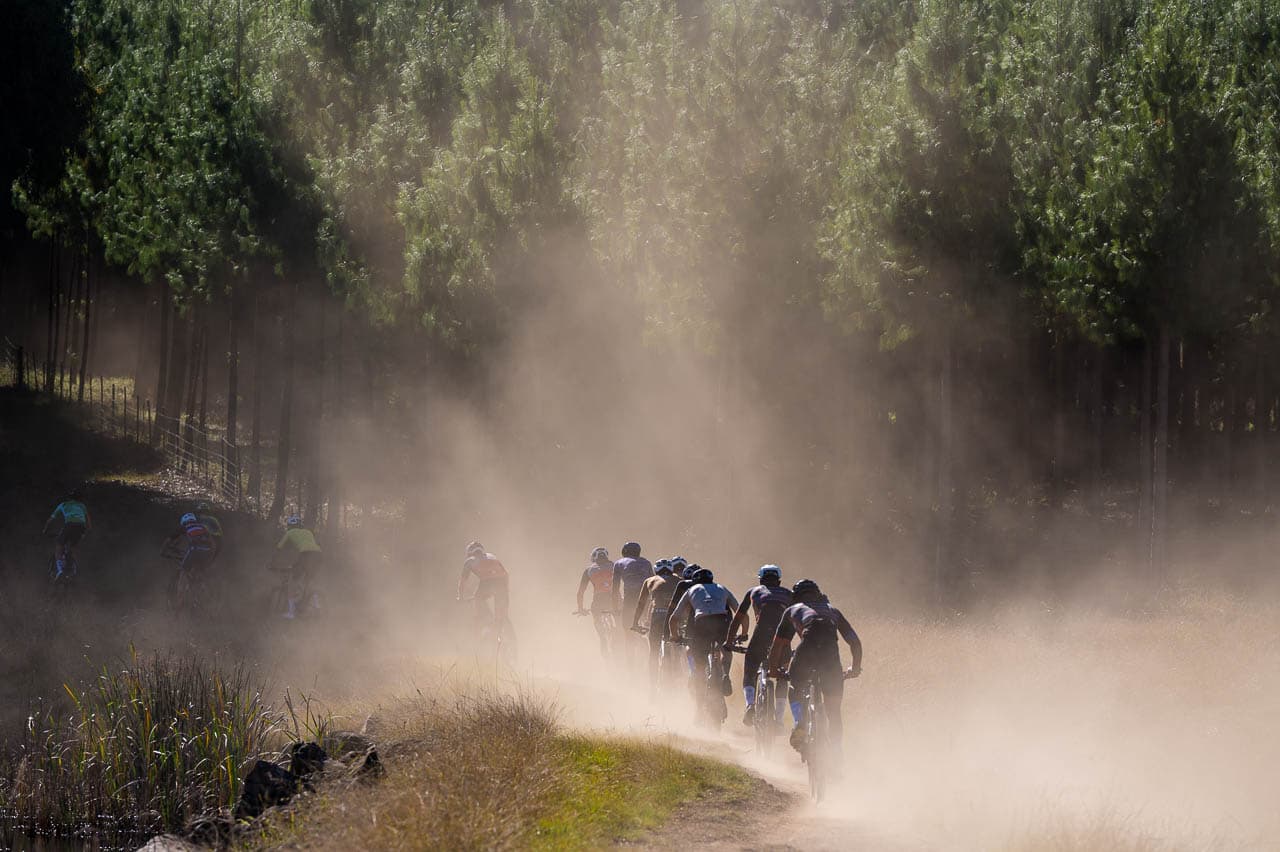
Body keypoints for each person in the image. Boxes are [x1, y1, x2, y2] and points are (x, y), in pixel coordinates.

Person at [766, 579, 862, 762]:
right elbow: (855, 642)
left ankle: (800, 722)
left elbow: (778, 645)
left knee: (795, 686)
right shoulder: (832, 610)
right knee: (833, 712)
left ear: (796, 597)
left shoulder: (793, 610)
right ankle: (836, 752)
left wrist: (773, 670)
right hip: (830, 658)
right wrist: (855, 668)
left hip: (807, 651)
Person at [726, 564, 793, 725]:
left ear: (760, 580)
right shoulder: (789, 594)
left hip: (761, 632)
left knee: (750, 665)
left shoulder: (753, 591)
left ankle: (750, 705)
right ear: (779, 580)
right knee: (783, 675)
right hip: (783, 635)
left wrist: (728, 641)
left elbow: (739, 617)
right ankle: (778, 719)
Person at [668, 567, 740, 705]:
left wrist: (675, 636)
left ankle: (699, 708)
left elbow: (674, 617)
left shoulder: (691, 590)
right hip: (722, 622)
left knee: (699, 669)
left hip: (701, 624)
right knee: (726, 648)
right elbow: (739, 611)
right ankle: (726, 674)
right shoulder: (722, 588)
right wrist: (743, 633)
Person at [630, 558, 682, 693]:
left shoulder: (650, 581)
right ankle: (678, 677)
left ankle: (653, 687)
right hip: (674, 617)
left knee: (653, 652)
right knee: (677, 646)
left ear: (656, 570)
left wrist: (635, 623)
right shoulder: (679, 581)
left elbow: (641, 603)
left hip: (657, 615)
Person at [458, 541, 515, 648]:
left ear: (469, 554)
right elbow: (506, 574)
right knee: (501, 616)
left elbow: (462, 582)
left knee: (477, 600)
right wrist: (506, 590)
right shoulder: (492, 556)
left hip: (487, 583)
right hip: (502, 583)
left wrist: (460, 597)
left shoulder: (469, 561)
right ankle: (500, 633)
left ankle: (485, 620)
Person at [610, 542, 653, 664]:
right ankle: (649, 654)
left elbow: (615, 589)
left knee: (627, 631)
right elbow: (654, 583)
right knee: (647, 627)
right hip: (645, 599)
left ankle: (631, 663)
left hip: (629, 599)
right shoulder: (647, 562)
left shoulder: (619, 563)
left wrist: (615, 608)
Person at [165, 512, 217, 609]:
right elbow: (212, 543)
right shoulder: (203, 527)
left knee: (183, 572)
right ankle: (200, 593)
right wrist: (210, 557)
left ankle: (179, 603)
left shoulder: (185, 526)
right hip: (208, 551)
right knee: (197, 570)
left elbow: (169, 540)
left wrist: (163, 551)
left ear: (184, 521)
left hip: (194, 549)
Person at [274, 515, 321, 619]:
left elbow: (279, 548)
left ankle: (291, 613)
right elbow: (310, 545)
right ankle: (317, 607)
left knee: (291, 583)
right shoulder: (308, 532)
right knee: (309, 582)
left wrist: (272, 561)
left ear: (290, 526)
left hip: (306, 554)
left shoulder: (290, 532)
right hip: (318, 556)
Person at [576, 547, 615, 658]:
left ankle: (605, 655)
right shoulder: (614, 566)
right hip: (613, 599)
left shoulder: (588, 570)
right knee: (619, 625)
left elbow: (580, 592)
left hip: (597, 602)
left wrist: (580, 608)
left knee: (602, 636)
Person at [43, 488, 90, 580]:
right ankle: (75, 571)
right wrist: (85, 533)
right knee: (72, 548)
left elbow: (51, 520)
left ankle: (60, 571)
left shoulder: (63, 505)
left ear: (69, 498)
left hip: (70, 525)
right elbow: (88, 522)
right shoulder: (82, 505)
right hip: (81, 527)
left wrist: (45, 530)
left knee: (59, 545)